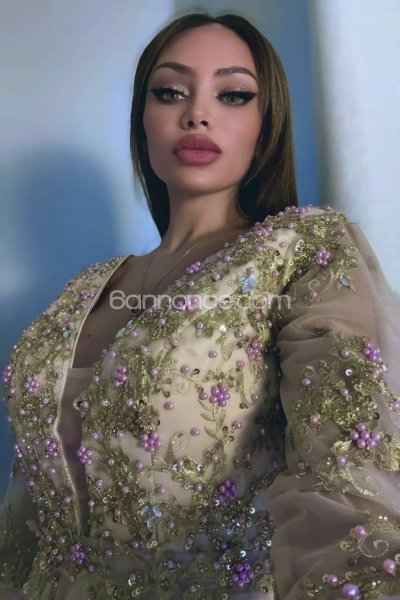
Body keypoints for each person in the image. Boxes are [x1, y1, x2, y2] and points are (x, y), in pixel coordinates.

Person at [1, 11, 400, 600]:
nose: (197, 114)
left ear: (266, 125)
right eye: (170, 92)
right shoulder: (84, 289)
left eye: (233, 94)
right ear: (142, 119)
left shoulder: (301, 253)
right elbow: (26, 510)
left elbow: (347, 475)